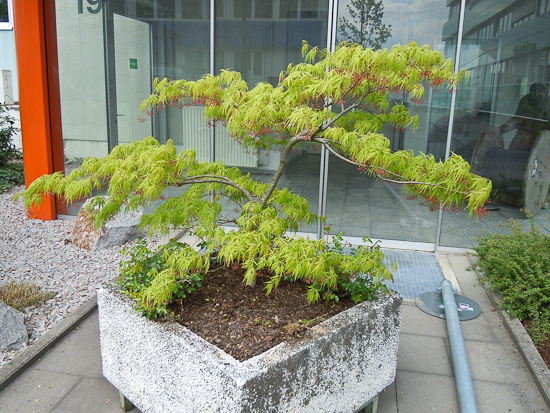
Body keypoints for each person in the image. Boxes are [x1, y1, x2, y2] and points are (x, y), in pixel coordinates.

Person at [500, 82, 550, 151]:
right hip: (525, 133)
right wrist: (507, 126)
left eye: (540, 91)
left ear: (545, 93)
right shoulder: (525, 101)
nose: (536, 94)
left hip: (542, 136)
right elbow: (518, 118)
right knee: (513, 151)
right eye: (533, 91)